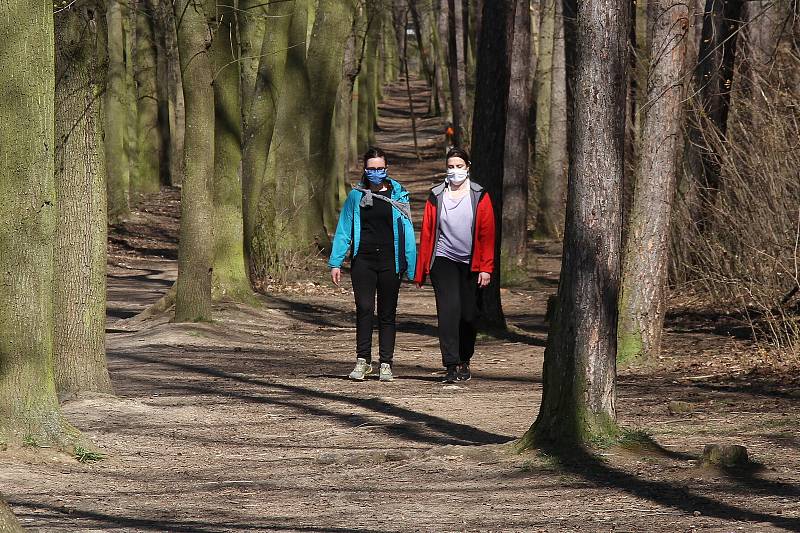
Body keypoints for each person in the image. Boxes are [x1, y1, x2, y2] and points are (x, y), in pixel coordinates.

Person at [329, 147, 417, 382]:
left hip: (391, 261)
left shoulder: (399, 195)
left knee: (387, 313)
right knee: (364, 309)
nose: (376, 173)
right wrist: (335, 262)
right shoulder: (356, 196)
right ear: (365, 170)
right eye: (371, 169)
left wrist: (412, 264)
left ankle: (386, 363)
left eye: (380, 169)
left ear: (386, 169)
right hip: (363, 261)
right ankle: (363, 360)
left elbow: (408, 231)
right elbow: (344, 229)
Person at [414, 147, 495, 383]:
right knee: (449, 311)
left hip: (472, 262)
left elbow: (487, 234)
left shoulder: (479, 195)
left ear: (467, 167)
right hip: (443, 260)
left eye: (459, 166)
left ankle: (464, 359)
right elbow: (428, 233)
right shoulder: (437, 195)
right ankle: (450, 363)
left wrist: (486, 268)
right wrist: (422, 269)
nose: (455, 171)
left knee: (468, 314)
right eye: (451, 166)